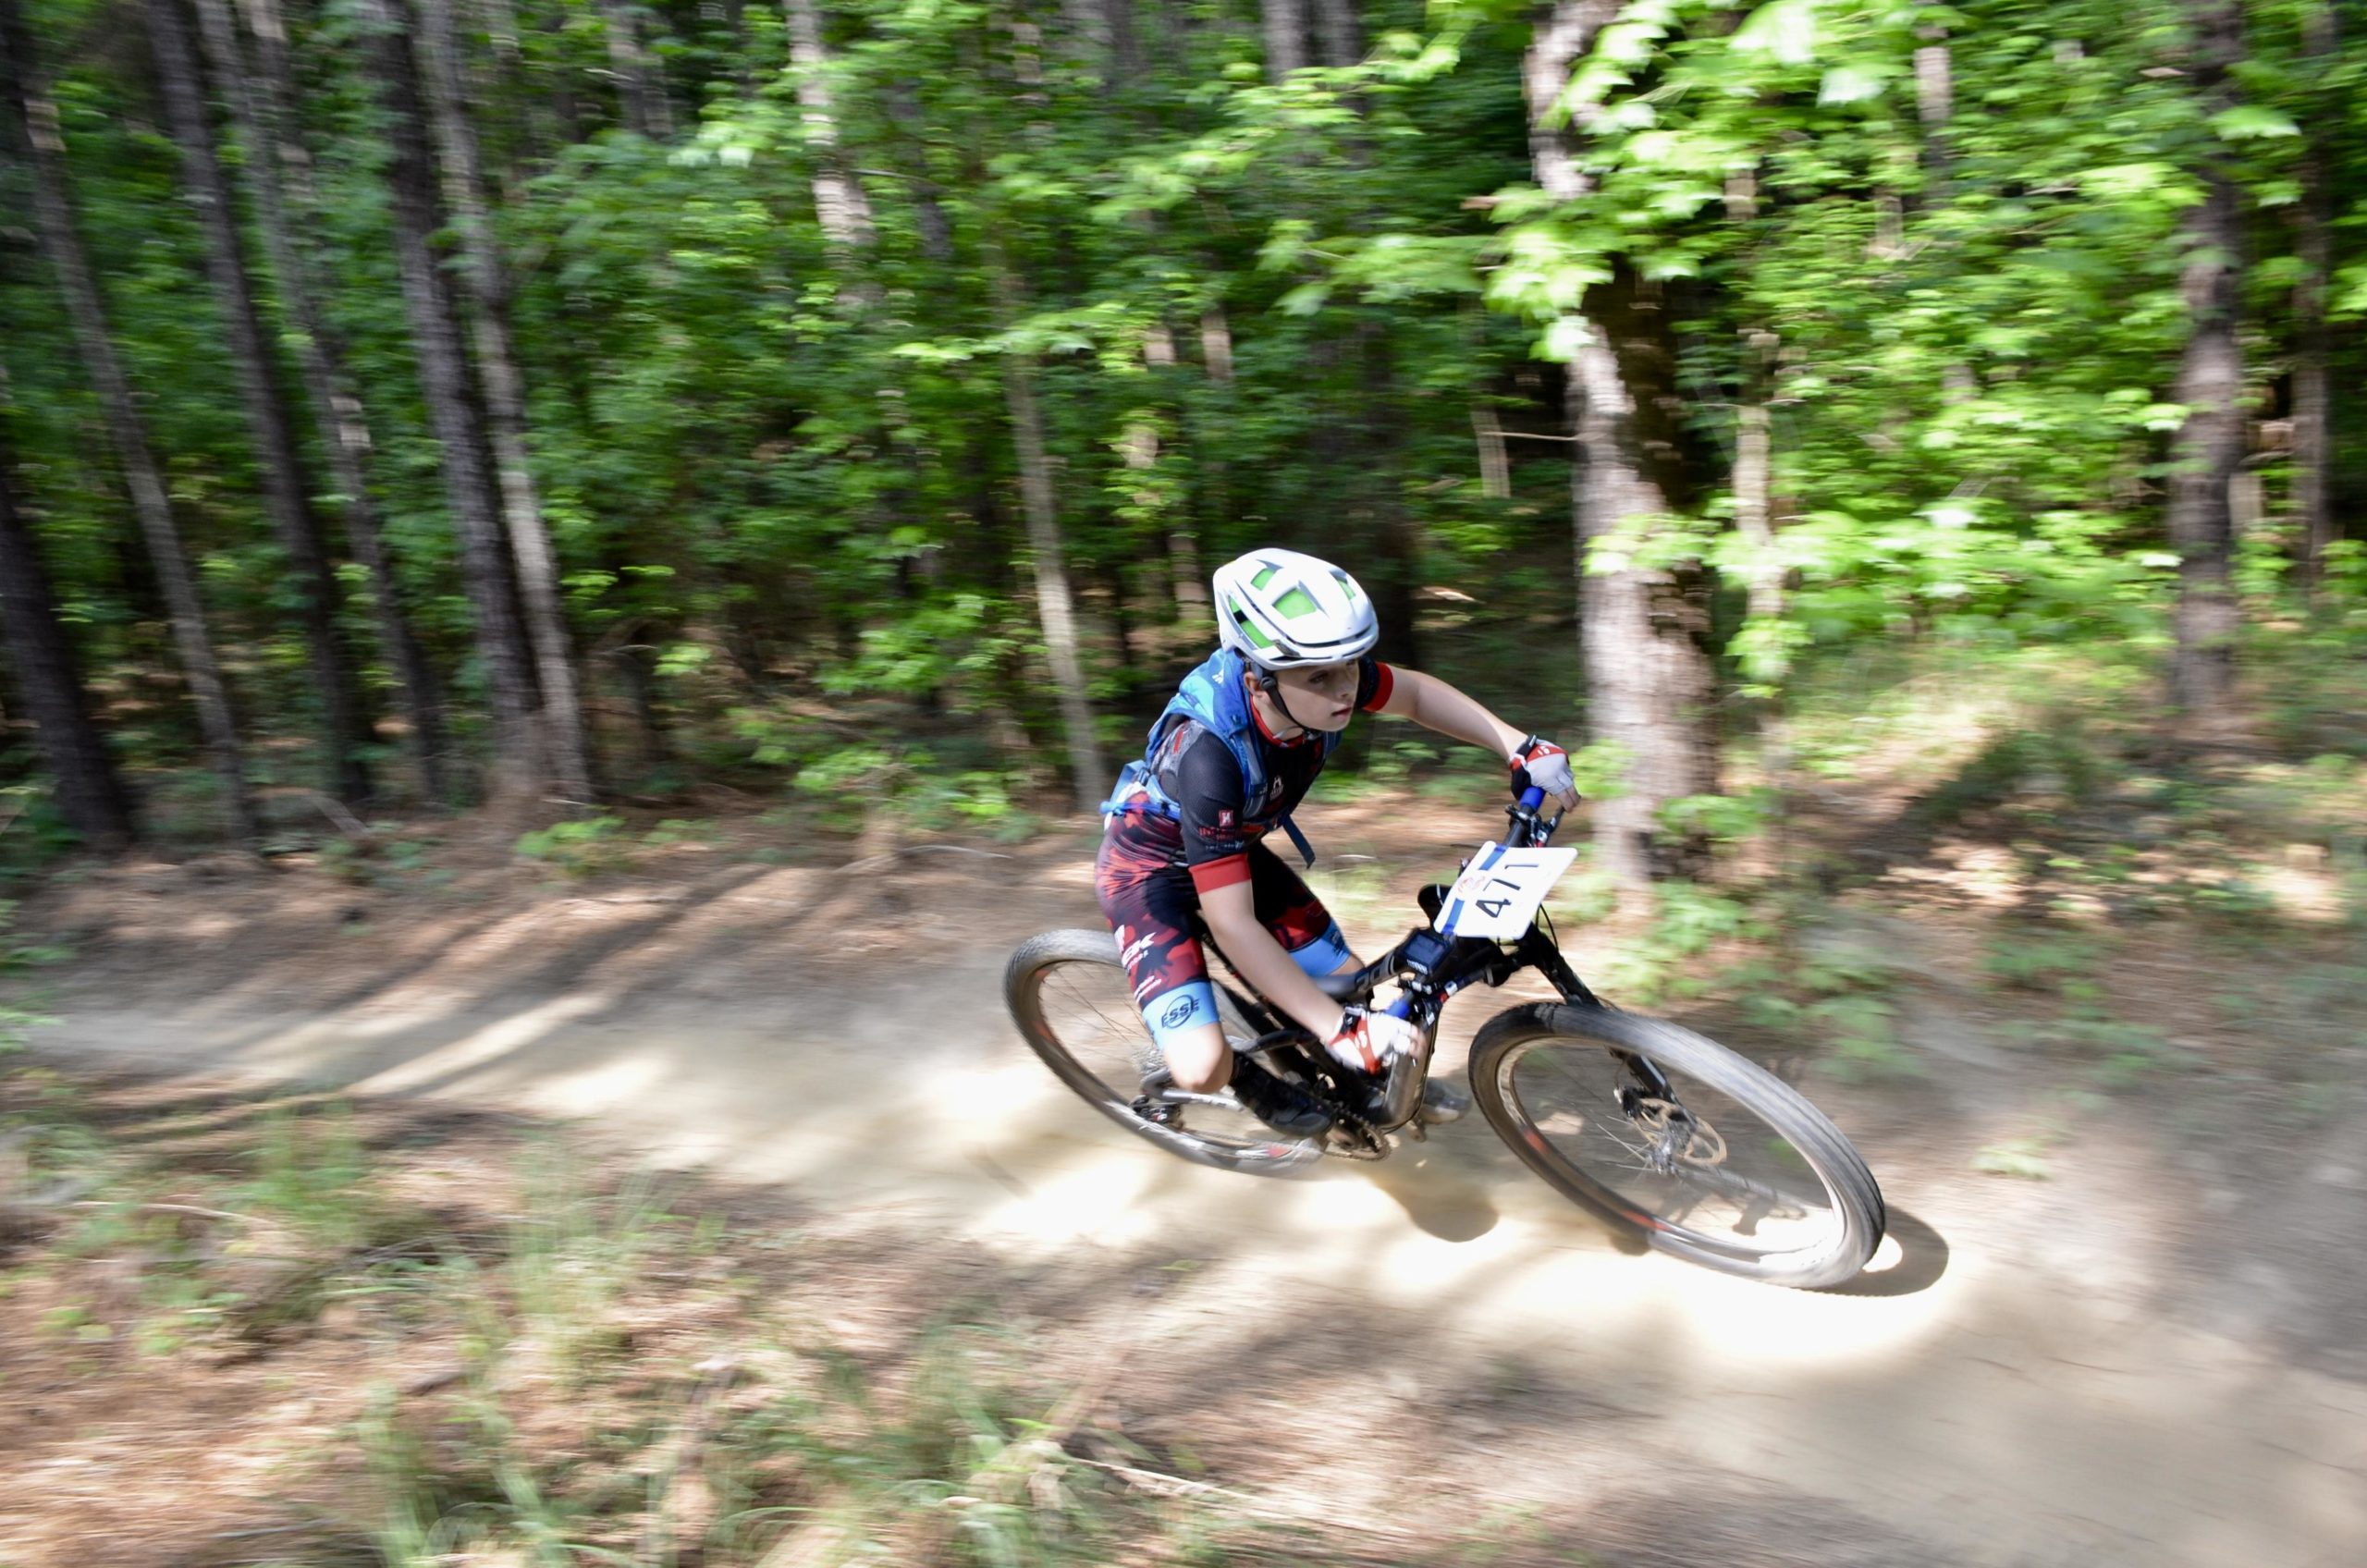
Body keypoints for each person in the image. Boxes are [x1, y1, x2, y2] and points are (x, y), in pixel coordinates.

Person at [1096, 547, 1580, 1137]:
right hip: (1149, 873)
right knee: (1202, 1067)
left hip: (1229, 847)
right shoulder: (1208, 757)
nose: (1345, 689)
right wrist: (1337, 1032)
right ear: (1257, 677)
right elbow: (1235, 926)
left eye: (1352, 665)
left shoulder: (1316, 676)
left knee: (1351, 982)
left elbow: (1418, 697)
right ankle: (1245, 1076)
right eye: (1321, 678)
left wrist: (1516, 744)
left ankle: (1359, 1086)